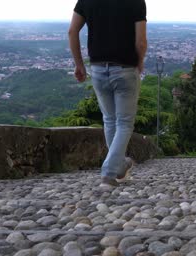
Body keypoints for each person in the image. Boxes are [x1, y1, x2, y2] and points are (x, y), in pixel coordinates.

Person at [68, 0, 147, 187]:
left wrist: (79, 64)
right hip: (126, 68)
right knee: (125, 123)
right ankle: (109, 173)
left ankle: (119, 166)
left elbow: (72, 31)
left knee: (110, 120)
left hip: (97, 68)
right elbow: (141, 41)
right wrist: (140, 61)